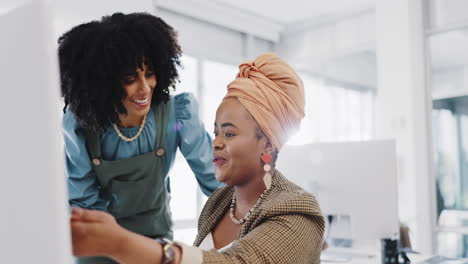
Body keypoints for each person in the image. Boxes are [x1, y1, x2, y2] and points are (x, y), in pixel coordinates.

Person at [71, 53, 325, 263]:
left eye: (229, 133)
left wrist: (121, 243)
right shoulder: (219, 204)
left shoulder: (297, 212)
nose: (215, 142)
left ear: (267, 142)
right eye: (215, 132)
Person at [59, 12, 221, 263]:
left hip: (153, 241)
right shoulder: (81, 126)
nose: (145, 87)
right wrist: (117, 243)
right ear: (102, 83)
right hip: (98, 241)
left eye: (150, 72)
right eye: (129, 79)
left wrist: (248, 214)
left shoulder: (177, 114)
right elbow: (83, 199)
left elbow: (215, 177)